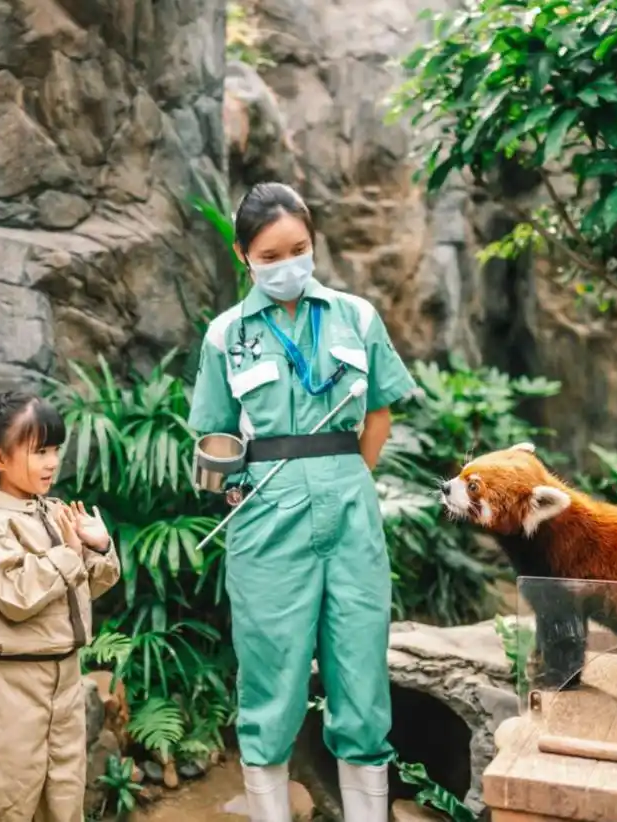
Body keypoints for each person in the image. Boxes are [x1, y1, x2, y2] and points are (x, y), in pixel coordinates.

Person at [187, 182, 419, 822]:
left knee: (362, 677)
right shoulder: (225, 335)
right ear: (244, 256)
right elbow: (213, 431)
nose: (287, 264)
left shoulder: (356, 316)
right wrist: (232, 483)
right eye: (270, 254)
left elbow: (379, 412)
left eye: (299, 249)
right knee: (270, 680)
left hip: (350, 513)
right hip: (265, 522)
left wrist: (347, 475)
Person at [0, 391, 121, 822]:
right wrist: (68, 554)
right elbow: (17, 596)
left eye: (54, 450)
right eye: (38, 451)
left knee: (64, 802)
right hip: (13, 683)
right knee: (6, 802)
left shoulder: (54, 512)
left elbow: (86, 587)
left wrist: (99, 546)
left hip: (64, 676)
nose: (51, 462)